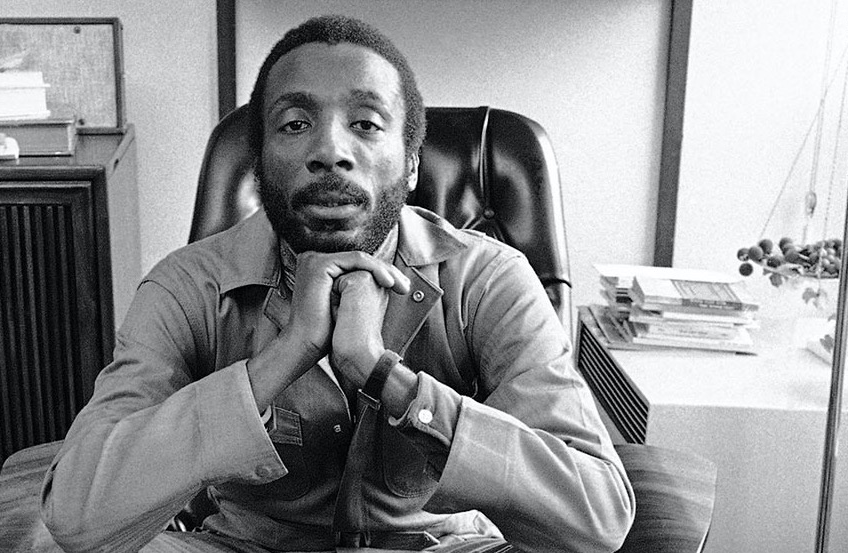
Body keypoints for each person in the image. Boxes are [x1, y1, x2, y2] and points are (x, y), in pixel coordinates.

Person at [40, 14, 634, 553]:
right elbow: (76, 516)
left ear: (411, 163)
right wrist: (278, 361)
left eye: (366, 124)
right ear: (259, 161)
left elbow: (597, 515)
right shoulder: (187, 285)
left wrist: (387, 378)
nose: (329, 150)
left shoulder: (488, 279)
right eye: (295, 124)